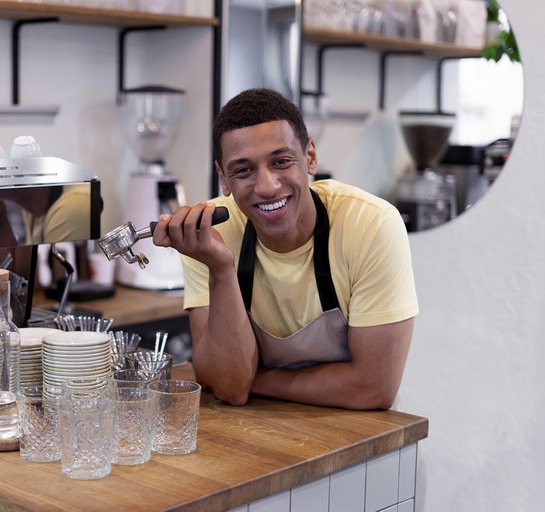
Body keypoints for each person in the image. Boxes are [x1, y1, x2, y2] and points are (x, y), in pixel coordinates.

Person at [152, 88, 418, 410]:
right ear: (223, 178)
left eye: (281, 161)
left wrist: (255, 379)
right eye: (243, 170)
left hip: (359, 433)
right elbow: (229, 388)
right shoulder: (211, 233)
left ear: (310, 157)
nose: (267, 187)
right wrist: (221, 270)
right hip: (256, 432)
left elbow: (373, 388)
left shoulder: (370, 224)